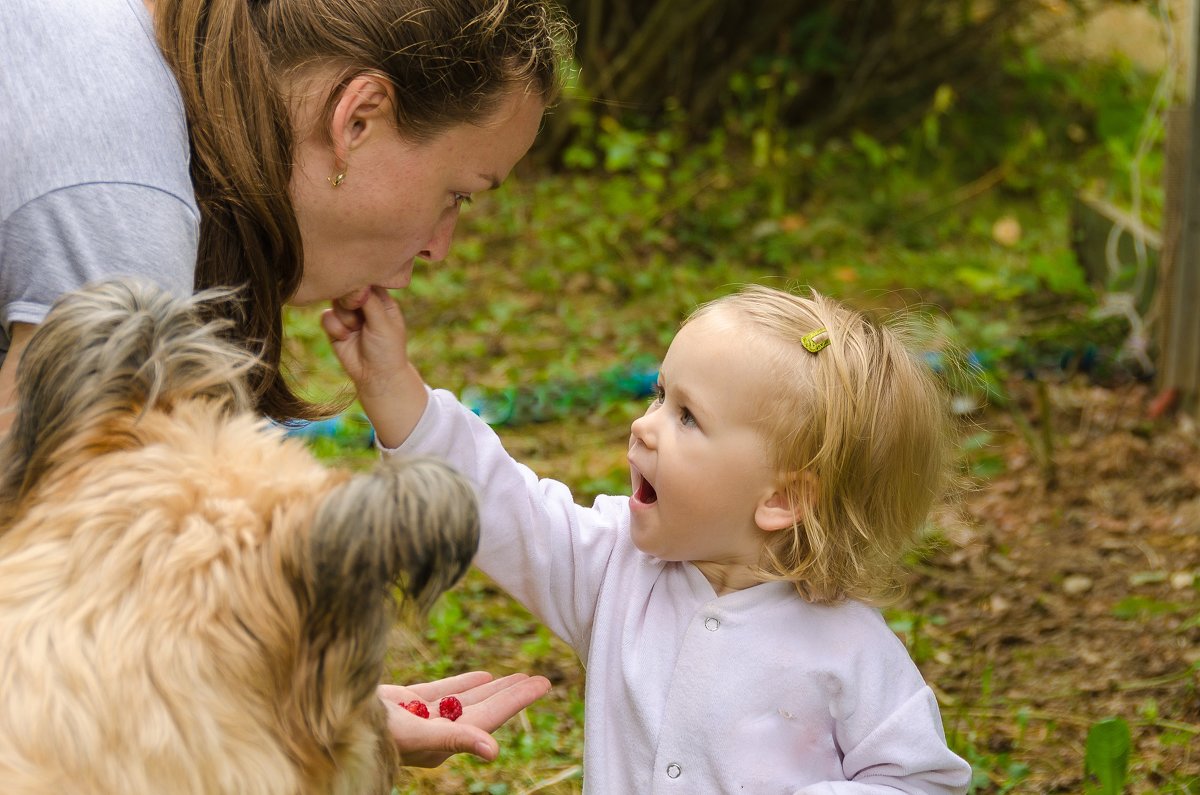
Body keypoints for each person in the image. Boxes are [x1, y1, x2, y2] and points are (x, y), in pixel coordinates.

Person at [0, 0, 573, 767]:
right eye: (457, 194)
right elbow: (56, 625)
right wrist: (296, 711)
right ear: (358, 117)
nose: (441, 245)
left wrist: (297, 682)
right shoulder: (121, 205)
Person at [324, 282, 976, 792]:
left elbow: (917, 778)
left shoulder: (851, 648)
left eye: (688, 416)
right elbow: (504, 508)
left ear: (781, 497)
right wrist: (391, 386)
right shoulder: (616, 568)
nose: (644, 425)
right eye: (659, 394)